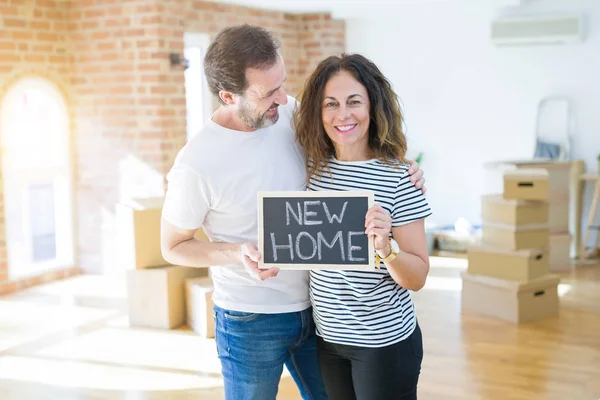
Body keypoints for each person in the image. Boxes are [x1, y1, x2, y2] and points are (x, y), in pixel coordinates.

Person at [160, 25, 426, 400]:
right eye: (269, 92)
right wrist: (237, 252)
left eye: (283, 83)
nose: (284, 99)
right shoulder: (195, 164)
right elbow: (172, 246)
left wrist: (401, 163)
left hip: (319, 313)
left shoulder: (287, 114)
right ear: (228, 95)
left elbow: (352, 138)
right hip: (251, 319)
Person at [294, 53, 432, 400]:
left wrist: (387, 248)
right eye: (331, 104)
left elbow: (417, 277)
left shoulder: (399, 177)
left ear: (373, 107)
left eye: (354, 102)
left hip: (383, 343)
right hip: (327, 339)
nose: (343, 114)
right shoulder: (311, 170)